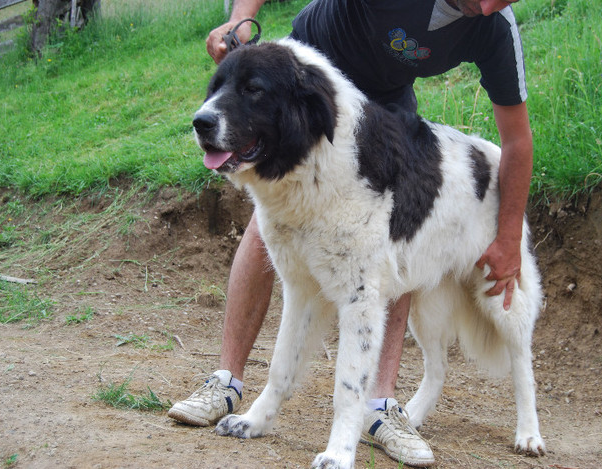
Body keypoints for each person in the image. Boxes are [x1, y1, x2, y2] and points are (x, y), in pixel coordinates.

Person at [169, 1, 532, 466]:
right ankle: (227, 381)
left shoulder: (496, 29)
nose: (487, 5)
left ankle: (377, 408)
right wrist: (241, 16)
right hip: (306, 73)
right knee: (275, 229)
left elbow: (518, 141)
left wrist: (506, 239)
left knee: (382, 259)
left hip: (384, 98)